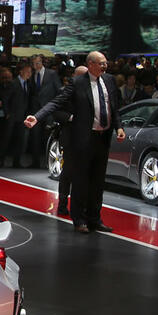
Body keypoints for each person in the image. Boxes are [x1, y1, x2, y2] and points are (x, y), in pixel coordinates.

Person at [25, 51, 125, 234]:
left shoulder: (109, 80)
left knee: (98, 182)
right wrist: (37, 117)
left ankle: (95, 219)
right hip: (85, 138)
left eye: (106, 63)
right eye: (101, 63)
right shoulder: (78, 83)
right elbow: (56, 103)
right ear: (91, 64)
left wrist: (119, 127)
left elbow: (114, 107)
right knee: (80, 181)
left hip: (103, 138)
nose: (105, 66)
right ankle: (79, 220)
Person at [52, 65, 89, 218]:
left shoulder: (91, 92)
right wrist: (71, 118)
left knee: (84, 174)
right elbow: (56, 111)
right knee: (68, 172)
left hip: (87, 138)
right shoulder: (64, 92)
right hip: (70, 137)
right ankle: (62, 204)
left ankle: (81, 206)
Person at [0, 63, 34, 168]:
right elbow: (5, 99)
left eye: (30, 72)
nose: (29, 74)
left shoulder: (28, 84)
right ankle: (1, 160)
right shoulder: (13, 83)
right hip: (12, 115)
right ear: (21, 72)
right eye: (27, 72)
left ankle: (16, 161)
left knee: (20, 139)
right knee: (7, 138)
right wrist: (7, 113)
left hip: (22, 116)